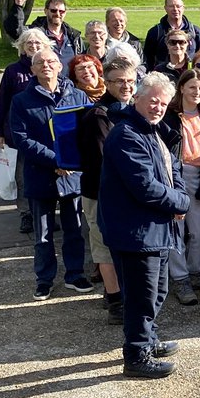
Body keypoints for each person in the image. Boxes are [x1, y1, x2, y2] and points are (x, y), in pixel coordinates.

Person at [99, 73, 190, 378]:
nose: (158, 107)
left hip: (154, 229)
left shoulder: (152, 131)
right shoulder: (126, 134)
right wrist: (180, 203)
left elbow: (173, 168)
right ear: (136, 98)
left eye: (163, 103)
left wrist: (179, 196)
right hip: (135, 232)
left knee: (157, 290)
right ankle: (137, 355)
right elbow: (145, 186)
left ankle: (149, 340)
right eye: (152, 100)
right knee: (141, 295)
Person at [9, 47, 94, 299]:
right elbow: (21, 139)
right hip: (40, 175)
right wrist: (56, 160)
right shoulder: (21, 101)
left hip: (72, 176)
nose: (46, 65)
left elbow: (88, 132)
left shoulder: (77, 96)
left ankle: (75, 274)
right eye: (39, 62)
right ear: (32, 69)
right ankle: (44, 279)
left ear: (59, 66)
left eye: (51, 61)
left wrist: (71, 162)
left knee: (74, 229)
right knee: (43, 234)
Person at [77, 54, 137, 322]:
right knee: (103, 247)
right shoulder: (99, 116)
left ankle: (117, 292)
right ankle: (116, 304)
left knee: (119, 247)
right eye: (120, 81)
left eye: (131, 81)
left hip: (123, 192)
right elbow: (104, 161)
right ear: (106, 83)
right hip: (100, 193)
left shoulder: (131, 110)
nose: (126, 86)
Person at [164, 69, 200, 304]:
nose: (197, 92)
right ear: (182, 88)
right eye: (192, 87)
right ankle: (180, 278)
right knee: (176, 229)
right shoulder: (169, 116)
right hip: (175, 176)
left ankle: (196, 271)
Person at [0, 28, 51, 234]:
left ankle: (46, 212)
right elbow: (2, 102)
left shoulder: (51, 67)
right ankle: (26, 213)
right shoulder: (13, 71)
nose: (34, 47)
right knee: (22, 175)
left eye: (38, 43)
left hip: (45, 131)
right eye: (29, 44)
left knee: (46, 171)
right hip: (19, 132)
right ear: (22, 48)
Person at [143, 0, 200, 71]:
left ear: (183, 8)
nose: (175, 9)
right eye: (171, 6)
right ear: (165, 8)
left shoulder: (195, 32)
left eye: (178, 6)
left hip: (189, 75)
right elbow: (148, 58)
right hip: (163, 76)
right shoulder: (156, 32)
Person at [23, 0, 84, 72]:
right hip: (43, 81)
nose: (58, 14)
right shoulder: (36, 35)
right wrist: (18, 6)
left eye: (61, 11)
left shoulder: (74, 36)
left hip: (69, 83)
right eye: (53, 10)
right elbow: (15, 30)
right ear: (46, 11)